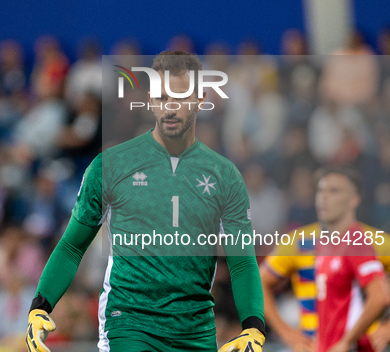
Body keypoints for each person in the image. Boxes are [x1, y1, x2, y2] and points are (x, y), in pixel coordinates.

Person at [26, 52, 265, 352]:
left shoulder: (225, 175)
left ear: (201, 99)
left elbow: (242, 261)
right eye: (162, 97)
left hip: (196, 332)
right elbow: (73, 245)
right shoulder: (110, 166)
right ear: (150, 100)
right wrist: (41, 305)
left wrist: (253, 327)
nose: (171, 108)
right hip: (128, 324)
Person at [261, 167, 390, 352]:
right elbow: (257, 282)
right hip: (316, 345)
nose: (323, 197)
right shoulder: (299, 242)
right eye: (320, 191)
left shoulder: (372, 241)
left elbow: (380, 297)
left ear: (354, 199)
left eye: (334, 191)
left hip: (357, 346)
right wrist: (286, 332)